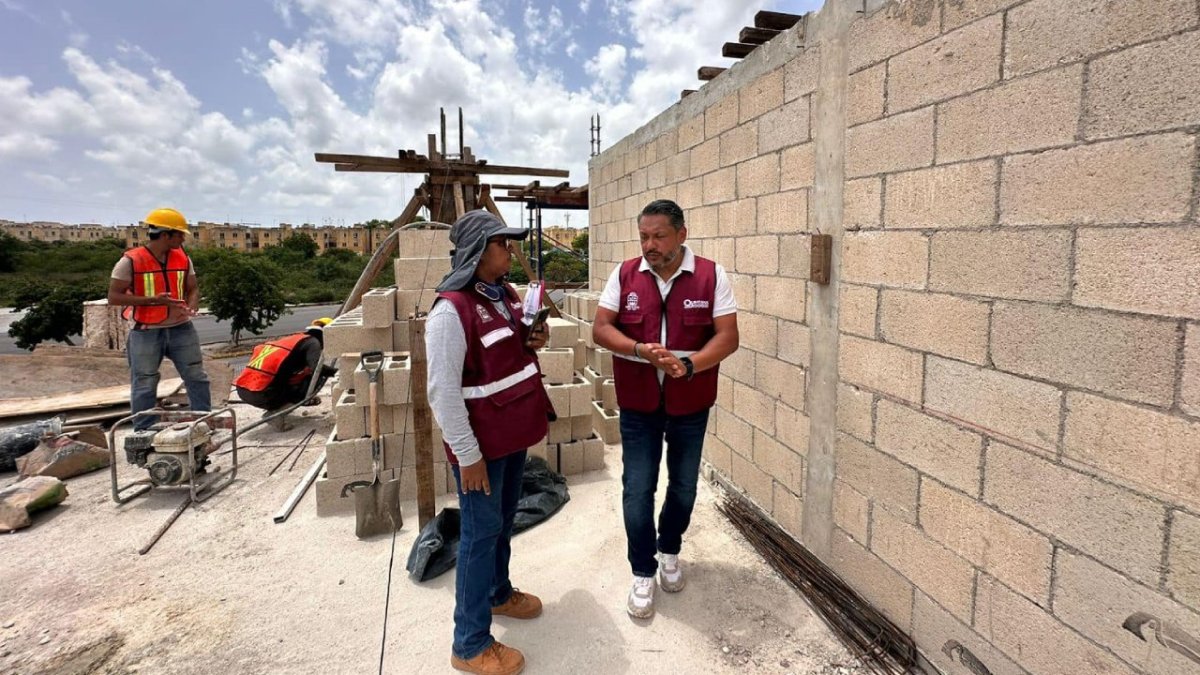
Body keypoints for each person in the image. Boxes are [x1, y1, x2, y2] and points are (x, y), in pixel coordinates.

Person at [592, 198, 740, 619]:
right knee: (637, 488)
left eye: (658, 236)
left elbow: (727, 337)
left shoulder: (711, 276)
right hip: (639, 407)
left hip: (690, 404)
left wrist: (689, 364)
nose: (649, 245)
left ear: (681, 235)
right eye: (643, 237)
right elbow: (601, 328)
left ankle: (669, 549)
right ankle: (642, 570)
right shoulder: (624, 275)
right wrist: (639, 349)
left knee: (684, 487)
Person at [426, 210, 554, 675]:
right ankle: (470, 643)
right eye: (503, 243)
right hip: (481, 450)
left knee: (500, 524)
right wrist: (468, 456)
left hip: (511, 437)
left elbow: (515, 350)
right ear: (480, 251)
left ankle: (498, 593)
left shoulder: (504, 295)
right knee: (480, 536)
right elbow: (441, 393)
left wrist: (535, 338)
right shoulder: (450, 312)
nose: (510, 251)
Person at [107, 208, 211, 430]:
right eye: (180, 234)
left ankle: (203, 422)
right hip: (146, 331)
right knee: (144, 382)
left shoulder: (182, 257)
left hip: (181, 328)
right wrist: (153, 300)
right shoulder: (130, 261)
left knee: (196, 376)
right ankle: (144, 429)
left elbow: (193, 288)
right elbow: (114, 297)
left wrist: (192, 304)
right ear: (165, 235)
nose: (183, 238)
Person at [232, 318, 338, 431]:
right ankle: (276, 415)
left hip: (244, 390)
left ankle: (289, 404)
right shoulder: (313, 342)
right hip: (262, 393)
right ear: (327, 334)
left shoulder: (295, 339)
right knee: (317, 378)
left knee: (305, 376)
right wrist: (337, 372)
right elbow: (317, 368)